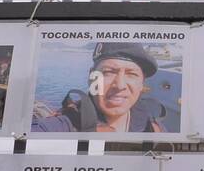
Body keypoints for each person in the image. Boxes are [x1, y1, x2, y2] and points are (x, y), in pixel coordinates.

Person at [30, 43, 167, 134]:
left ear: (141, 84)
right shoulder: (64, 125)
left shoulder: (151, 124)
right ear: (91, 77)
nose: (119, 85)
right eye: (108, 72)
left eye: (131, 74)